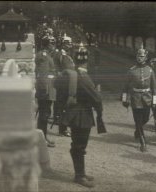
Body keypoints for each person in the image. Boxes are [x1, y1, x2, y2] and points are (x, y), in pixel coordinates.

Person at [57, 44, 105, 188]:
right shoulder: (83, 76)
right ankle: (79, 175)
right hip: (81, 115)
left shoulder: (74, 74)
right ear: (86, 61)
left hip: (76, 114)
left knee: (78, 145)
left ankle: (81, 173)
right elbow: (96, 98)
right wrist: (99, 109)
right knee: (79, 146)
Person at [122, 44, 156, 152]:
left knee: (145, 118)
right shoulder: (131, 70)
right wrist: (124, 99)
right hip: (135, 98)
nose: (139, 58)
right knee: (138, 120)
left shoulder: (150, 70)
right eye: (138, 56)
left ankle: (138, 129)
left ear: (146, 58)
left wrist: (155, 101)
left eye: (142, 56)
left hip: (147, 98)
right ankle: (143, 142)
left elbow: (154, 87)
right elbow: (125, 87)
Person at [35, 35, 57, 147]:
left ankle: (42, 137)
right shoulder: (44, 56)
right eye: (52, 43)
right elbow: (43, 75)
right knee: (44, 115)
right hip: (46, 90)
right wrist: (45, 91)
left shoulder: (46, 55)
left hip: (47, 89)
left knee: (45, 114)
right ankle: (42, 138)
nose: (53, 46)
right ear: (47, 44)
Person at [53, 33, 75, 137]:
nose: (70, 45)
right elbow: (57, 70)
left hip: (69, 83)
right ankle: (63, 129)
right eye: (68, 44)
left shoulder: (68, 54)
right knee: (63, 107)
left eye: (70, 44)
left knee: (68, 106)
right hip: (63, 84)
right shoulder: (60, 55)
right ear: (63, 44)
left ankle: (66, 125)